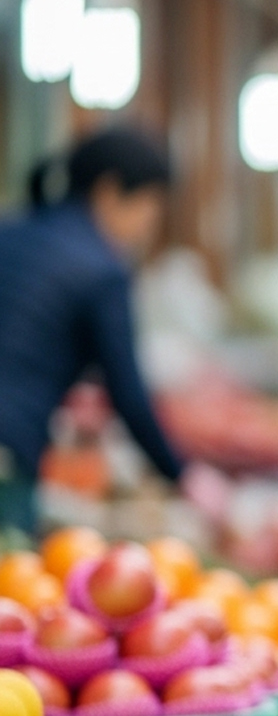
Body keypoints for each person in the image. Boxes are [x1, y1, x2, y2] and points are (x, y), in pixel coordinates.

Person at [0, 127, 186, 536]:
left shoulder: (11, 232)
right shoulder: (102, 269)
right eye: (148, 211)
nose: (145, 228)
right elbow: (128, 393)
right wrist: (182, 474)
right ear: (109, 191)